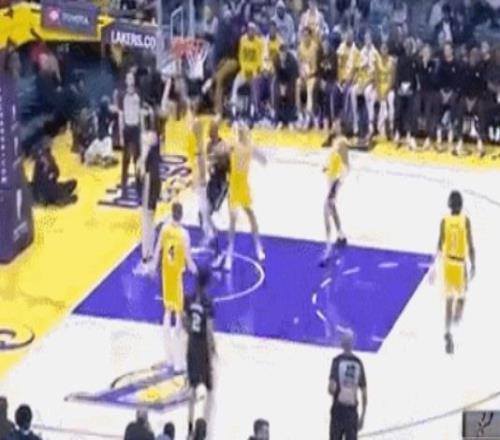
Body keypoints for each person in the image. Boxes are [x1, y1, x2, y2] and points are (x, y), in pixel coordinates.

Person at [150, 202, 197, 372]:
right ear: (182, 215)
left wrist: (153, 267)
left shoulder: (164, 229)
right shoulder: (184, 234)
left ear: (172, 213)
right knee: (178, 315)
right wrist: (198, 272)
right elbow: (189, 261)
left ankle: (169, 358)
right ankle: (178, 363)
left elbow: (157, 251)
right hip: (177, 277)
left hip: (166, 275)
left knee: (167, 312)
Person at [430, 191, 475, 354]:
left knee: (449, 301)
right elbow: (470, 245)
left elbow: (439, 245)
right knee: (461, 299)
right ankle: (455, 322)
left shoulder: (445, 221)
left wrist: (434, 267)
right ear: (461, 205)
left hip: (448, 264)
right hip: (460, 264)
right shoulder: (465, 221)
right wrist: (474, 263)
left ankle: (448, 331)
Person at [218, 123, 266, 271]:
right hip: (234, 187)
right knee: (232, 222)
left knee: (251, 216)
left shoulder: (250, 146)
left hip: (244, 188)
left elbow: (263, 160)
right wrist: (229, 137)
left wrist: (259, 154)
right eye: (240, 130)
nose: (241, 132)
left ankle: (258, 246)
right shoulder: (233, 144)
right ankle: (229, 255)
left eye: (243, 130)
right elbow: (222, 149)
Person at [184, 268, 216, 438]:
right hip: (203, 346)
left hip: (192, 344)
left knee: (192, 387)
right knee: (209, 388)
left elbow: (184, 320)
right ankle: (204, 427)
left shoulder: (189, 298)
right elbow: (209, 330)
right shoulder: (207, 302)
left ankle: (190, 426)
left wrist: (190, 333)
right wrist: (213, 349)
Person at [328, 330, 367, 440]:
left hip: (338, 410)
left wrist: (332, 389)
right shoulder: (358, 363)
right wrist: (363, 416)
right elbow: (364, 393)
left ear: (342, 343)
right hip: (352, 412)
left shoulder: (337, 361)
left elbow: (331, 388)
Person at [321, 131, 349, 265]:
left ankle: (328, 246)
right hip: (332, 183)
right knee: (332, 208)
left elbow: (340, 173)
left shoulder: (338, 154)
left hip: (333, 185)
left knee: (326, 210)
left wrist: (333, 188)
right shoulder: (333, 153)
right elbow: (331, 167)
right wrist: (326, 168)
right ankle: (340, 234)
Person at [136, 129, 161, 266]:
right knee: (148, 219)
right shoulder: (147, 154)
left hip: (150, 184)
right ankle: (147, 252)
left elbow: (142, 171)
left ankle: (147, 252)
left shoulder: (149, 152)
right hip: (150, 184)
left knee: (147, 219)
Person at [230, 22, 264, 122]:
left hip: (253, 73)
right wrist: (245, 69)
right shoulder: (242, 40)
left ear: (255, 31)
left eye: (253, 30)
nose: (251, 32)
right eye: (249, 30)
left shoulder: (259, 42)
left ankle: (252, 114)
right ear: (247, 30)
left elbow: (259, 60)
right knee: (235, 84)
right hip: (244, 71)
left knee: (255, 86)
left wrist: (254, 71)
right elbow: (240, 57)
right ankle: (233, 113)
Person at [84, 97, 119, 167]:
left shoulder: (99, 113)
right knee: (106, 146)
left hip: (98, 138)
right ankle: (105, 159)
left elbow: (115, 116)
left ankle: (104, 159)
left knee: (91, 154)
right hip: (102, 138)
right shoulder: (102, 113)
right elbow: (115, 115)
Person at [296, 26, 319, 130]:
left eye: (307, 35)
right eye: (304, 35)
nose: (305, 37)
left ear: (310, 36)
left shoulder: (315, 47)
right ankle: (300, 115)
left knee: (310, 88)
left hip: (313, 75)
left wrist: (309, 75)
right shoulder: (300, 48)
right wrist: (302, 74)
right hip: (303, 75)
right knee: (297, 84)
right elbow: (299, 64)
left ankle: (308, 118)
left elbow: (316, 67)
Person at [375, 42, 396, 139]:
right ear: (380, 50)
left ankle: (391, 126)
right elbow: (376, 78)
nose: (384, 50)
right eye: (382, 49)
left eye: (385, 49)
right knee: (382, 105)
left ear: (388, 50)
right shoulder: (377, 60)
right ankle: (381, 128)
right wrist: (379, 92)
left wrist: (386, 92)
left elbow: (393, 79)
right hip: (380, 87)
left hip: (389, 88)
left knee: (390, 101)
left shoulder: (392, 61)